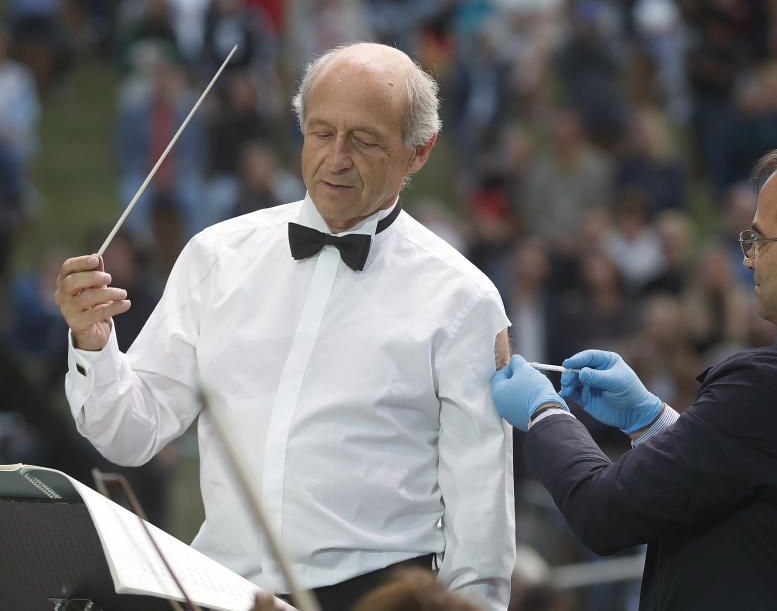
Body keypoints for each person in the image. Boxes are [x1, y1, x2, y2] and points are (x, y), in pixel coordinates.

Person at [54, 42, 515, 610]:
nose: (336, 158)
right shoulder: (216, 256)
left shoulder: (464, 300)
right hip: (221, 591)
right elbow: (129, 434)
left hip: (378, 597)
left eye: (365, 141)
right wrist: (94, 346)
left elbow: (480, 511)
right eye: (321, 133)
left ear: (419, 153)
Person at [491, 141, 777, 609]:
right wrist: (650, 421)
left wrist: (545, 412)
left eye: (760, 239)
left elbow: (604, 513)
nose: (748, 258)